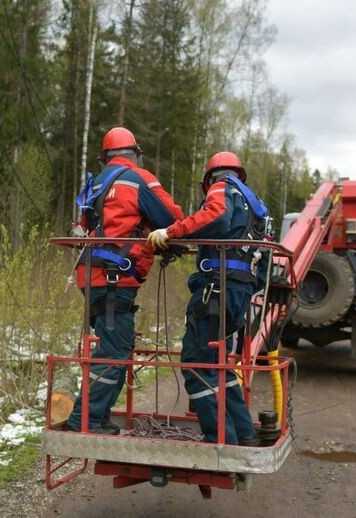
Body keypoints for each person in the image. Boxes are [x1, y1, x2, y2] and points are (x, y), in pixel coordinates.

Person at [66, 127, 183, 434]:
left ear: (105, 157)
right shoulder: (138, 179)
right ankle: (86, 420)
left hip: (92, 275)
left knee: (116, 346)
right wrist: (165, 236)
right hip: (113, 278)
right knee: (114, 351)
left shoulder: (95, 184)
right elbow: (172, 218)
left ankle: (97, 417)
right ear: (135, 154)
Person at [147, 151, 268, 445]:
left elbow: (215, 216)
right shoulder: (257, 206)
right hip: (238, 292)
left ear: (210, 177)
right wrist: (245, 289)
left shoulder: (222, 187)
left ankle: (220, 439)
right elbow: (264, 262)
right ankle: (244, 434)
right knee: (218, 365)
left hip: (216, 289)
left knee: (196, 363)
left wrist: (171, 232)